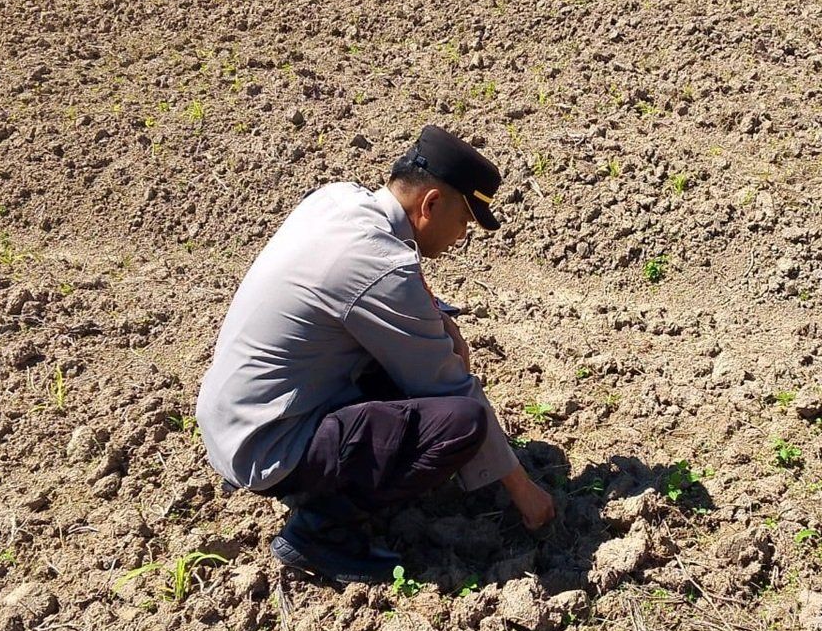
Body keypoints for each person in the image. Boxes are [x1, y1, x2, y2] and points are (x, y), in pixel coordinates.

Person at [196, 124, 555, 583]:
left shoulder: (335, 200)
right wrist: (523, 490)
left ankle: (322, 484)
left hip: (233, 421)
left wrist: (441, 320)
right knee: (462, 420)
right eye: (464, 221)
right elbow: (450, 387)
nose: (461, 236)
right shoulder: (383, 266)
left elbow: (370, 296)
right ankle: (320, 534)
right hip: (268, 447)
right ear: (431, 204)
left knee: (408, 364)